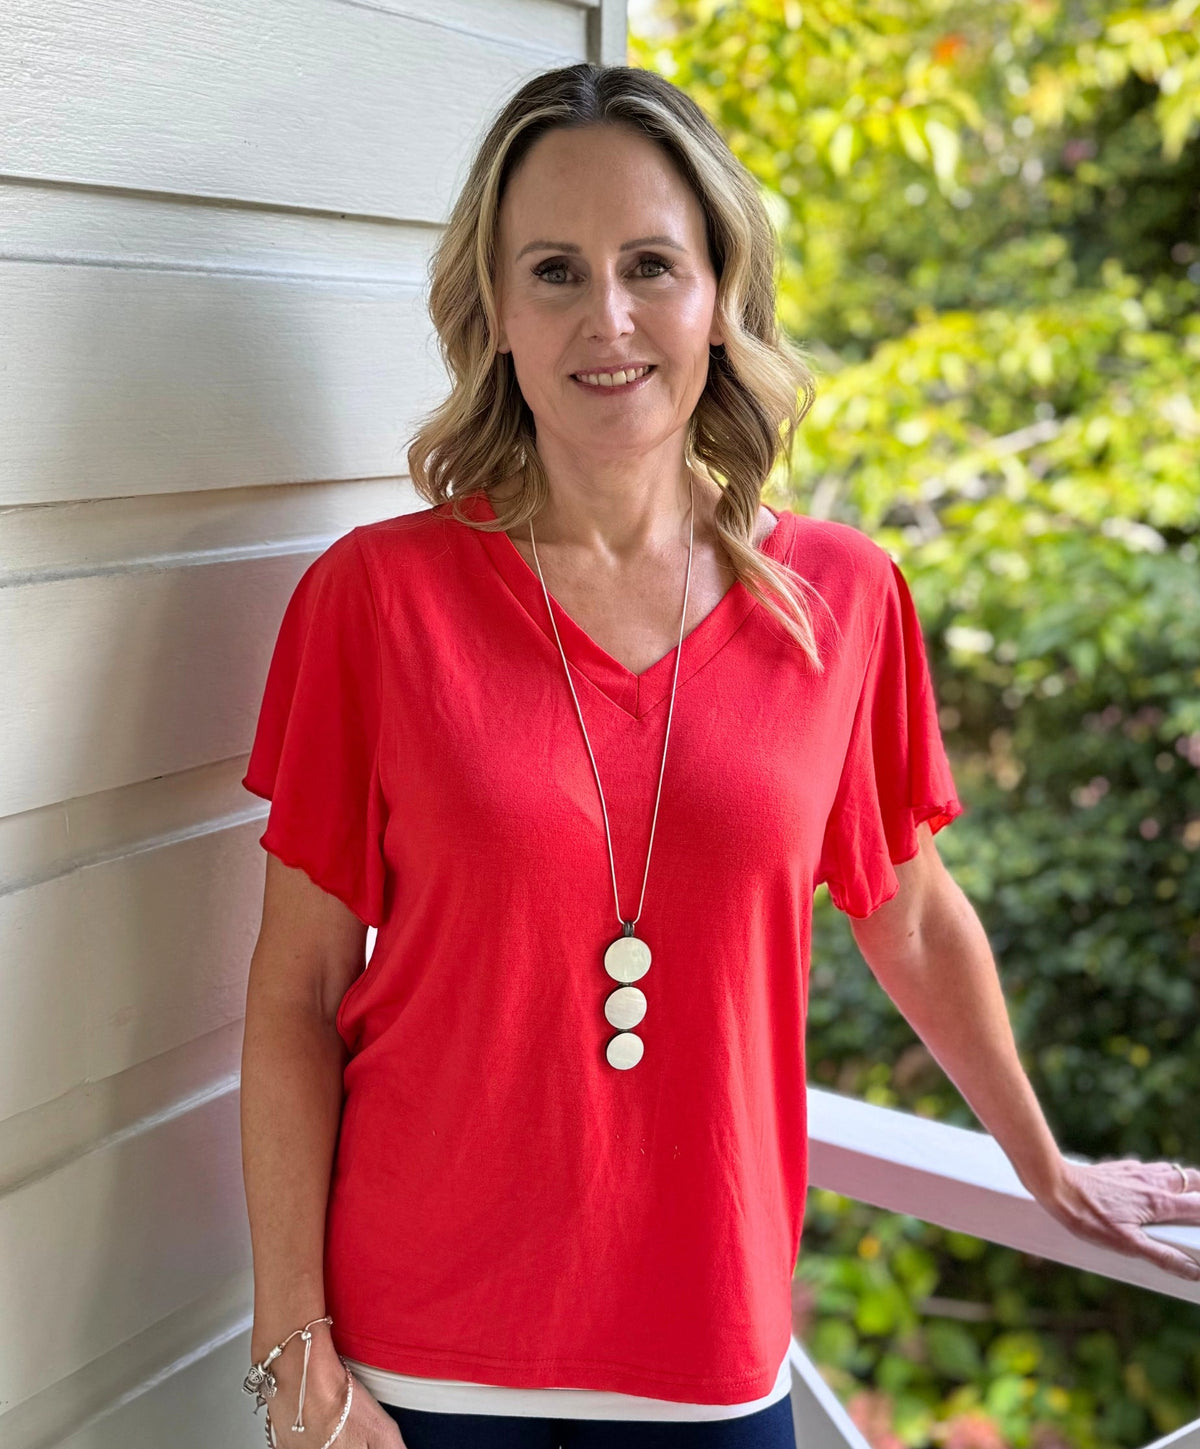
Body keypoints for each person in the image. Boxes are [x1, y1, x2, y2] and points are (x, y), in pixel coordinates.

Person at [238, 61, 1200, 1449]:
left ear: (719, 296)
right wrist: (296, 1357)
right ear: (496, 311)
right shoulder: (374, 601)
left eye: (651, 265)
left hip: (708, 1349)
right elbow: (295, 991)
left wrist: (1044, 1163)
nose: (607, 318)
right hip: (416, 1361)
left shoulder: (844, 602)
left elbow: (913, 912)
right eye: (555, 271)